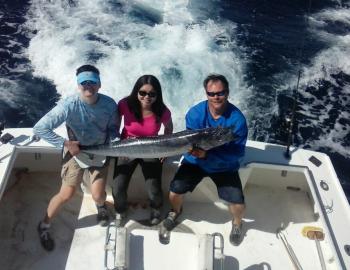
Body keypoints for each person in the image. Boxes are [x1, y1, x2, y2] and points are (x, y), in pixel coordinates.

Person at [33, 64, 119, 251]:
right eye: (84, 82)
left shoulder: (110, 104)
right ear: (78, 85)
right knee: (67, 194)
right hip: (75, 153)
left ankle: (101, 207)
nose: (88, 86)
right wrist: (66, 144)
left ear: (99, 84)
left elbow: (113, 129)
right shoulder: (69, 105)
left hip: (100, 152)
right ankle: (44, 224)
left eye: (92, 82)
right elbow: (39, 128)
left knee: (98, 195)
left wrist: (117, 143)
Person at [163, 74, 248, 246]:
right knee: (174, 191)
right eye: (212, 93)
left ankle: (237, 223)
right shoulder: (195, 113)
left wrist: (208, 154)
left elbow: (237, 152)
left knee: (237, 203)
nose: (216, 97)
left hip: (224, 166)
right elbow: (191, 143)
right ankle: (175, 211)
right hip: (196, 162)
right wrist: (200, 154)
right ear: (206, 94)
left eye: (220, 93)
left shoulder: (238, 120)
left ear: (228, 93)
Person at [113, 75, 173, 226]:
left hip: (151, 149)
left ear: (157, 95)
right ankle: (120, 210)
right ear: (136, 92)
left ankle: (156, 209)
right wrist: (117, 143)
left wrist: (164, 150)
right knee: (118, 187)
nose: (147, 97)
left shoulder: (162, 111)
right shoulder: (124, 104)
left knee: (154, 188)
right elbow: (114, 125)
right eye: (143, 93)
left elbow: (169, 128)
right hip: (127, 149)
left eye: (152, 94)